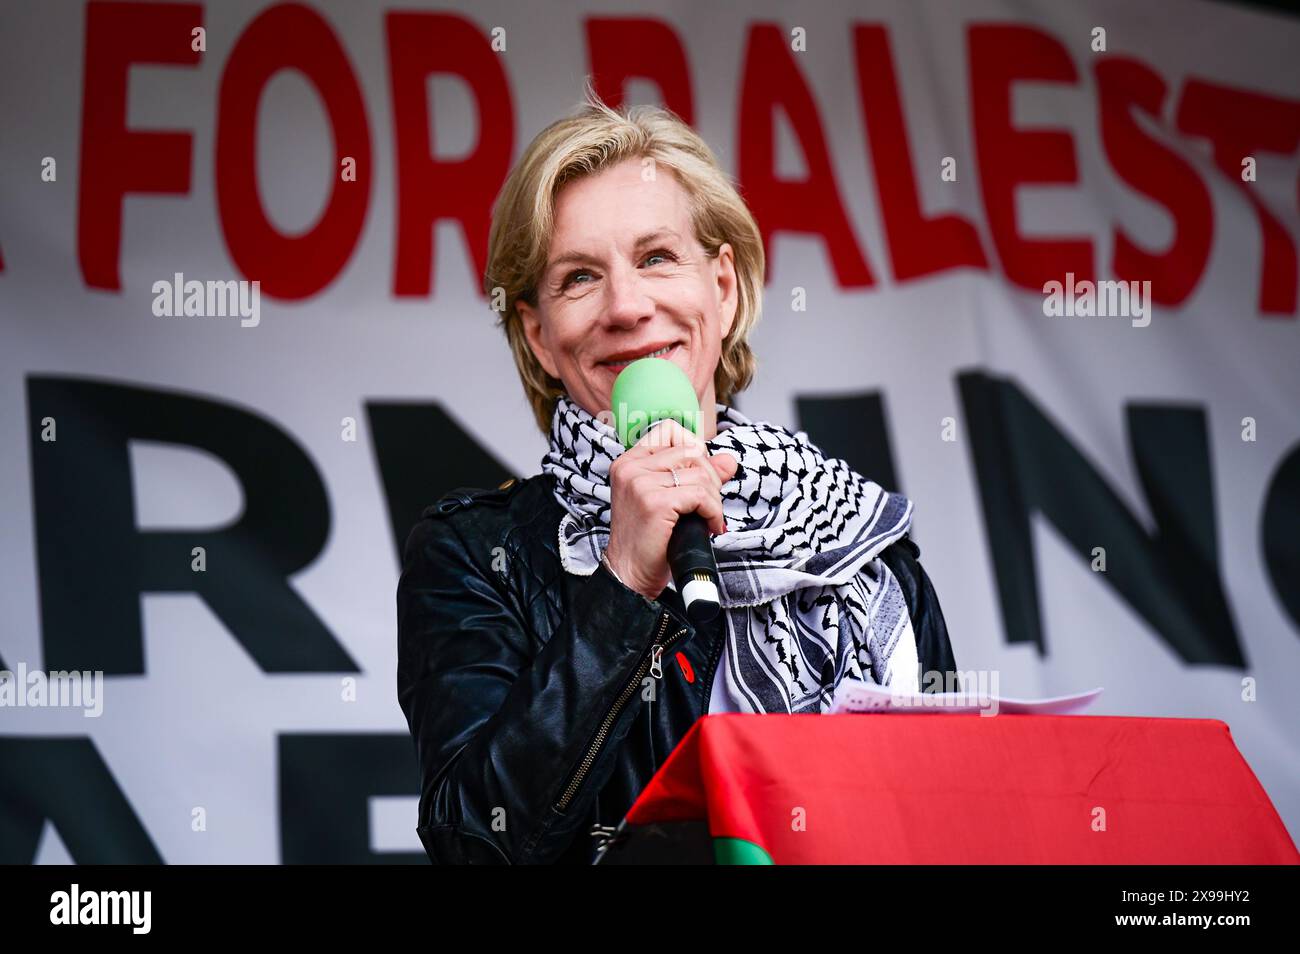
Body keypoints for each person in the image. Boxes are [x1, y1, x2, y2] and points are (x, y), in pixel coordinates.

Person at [397, 88, 958, 864]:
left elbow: (952, 822)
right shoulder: (473, 554)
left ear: (722, 290)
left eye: (657, 257)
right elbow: (474, 844)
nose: (627, 307)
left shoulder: (859, 543)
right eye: (579, 278)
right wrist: (622, 584)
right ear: (539, 336)